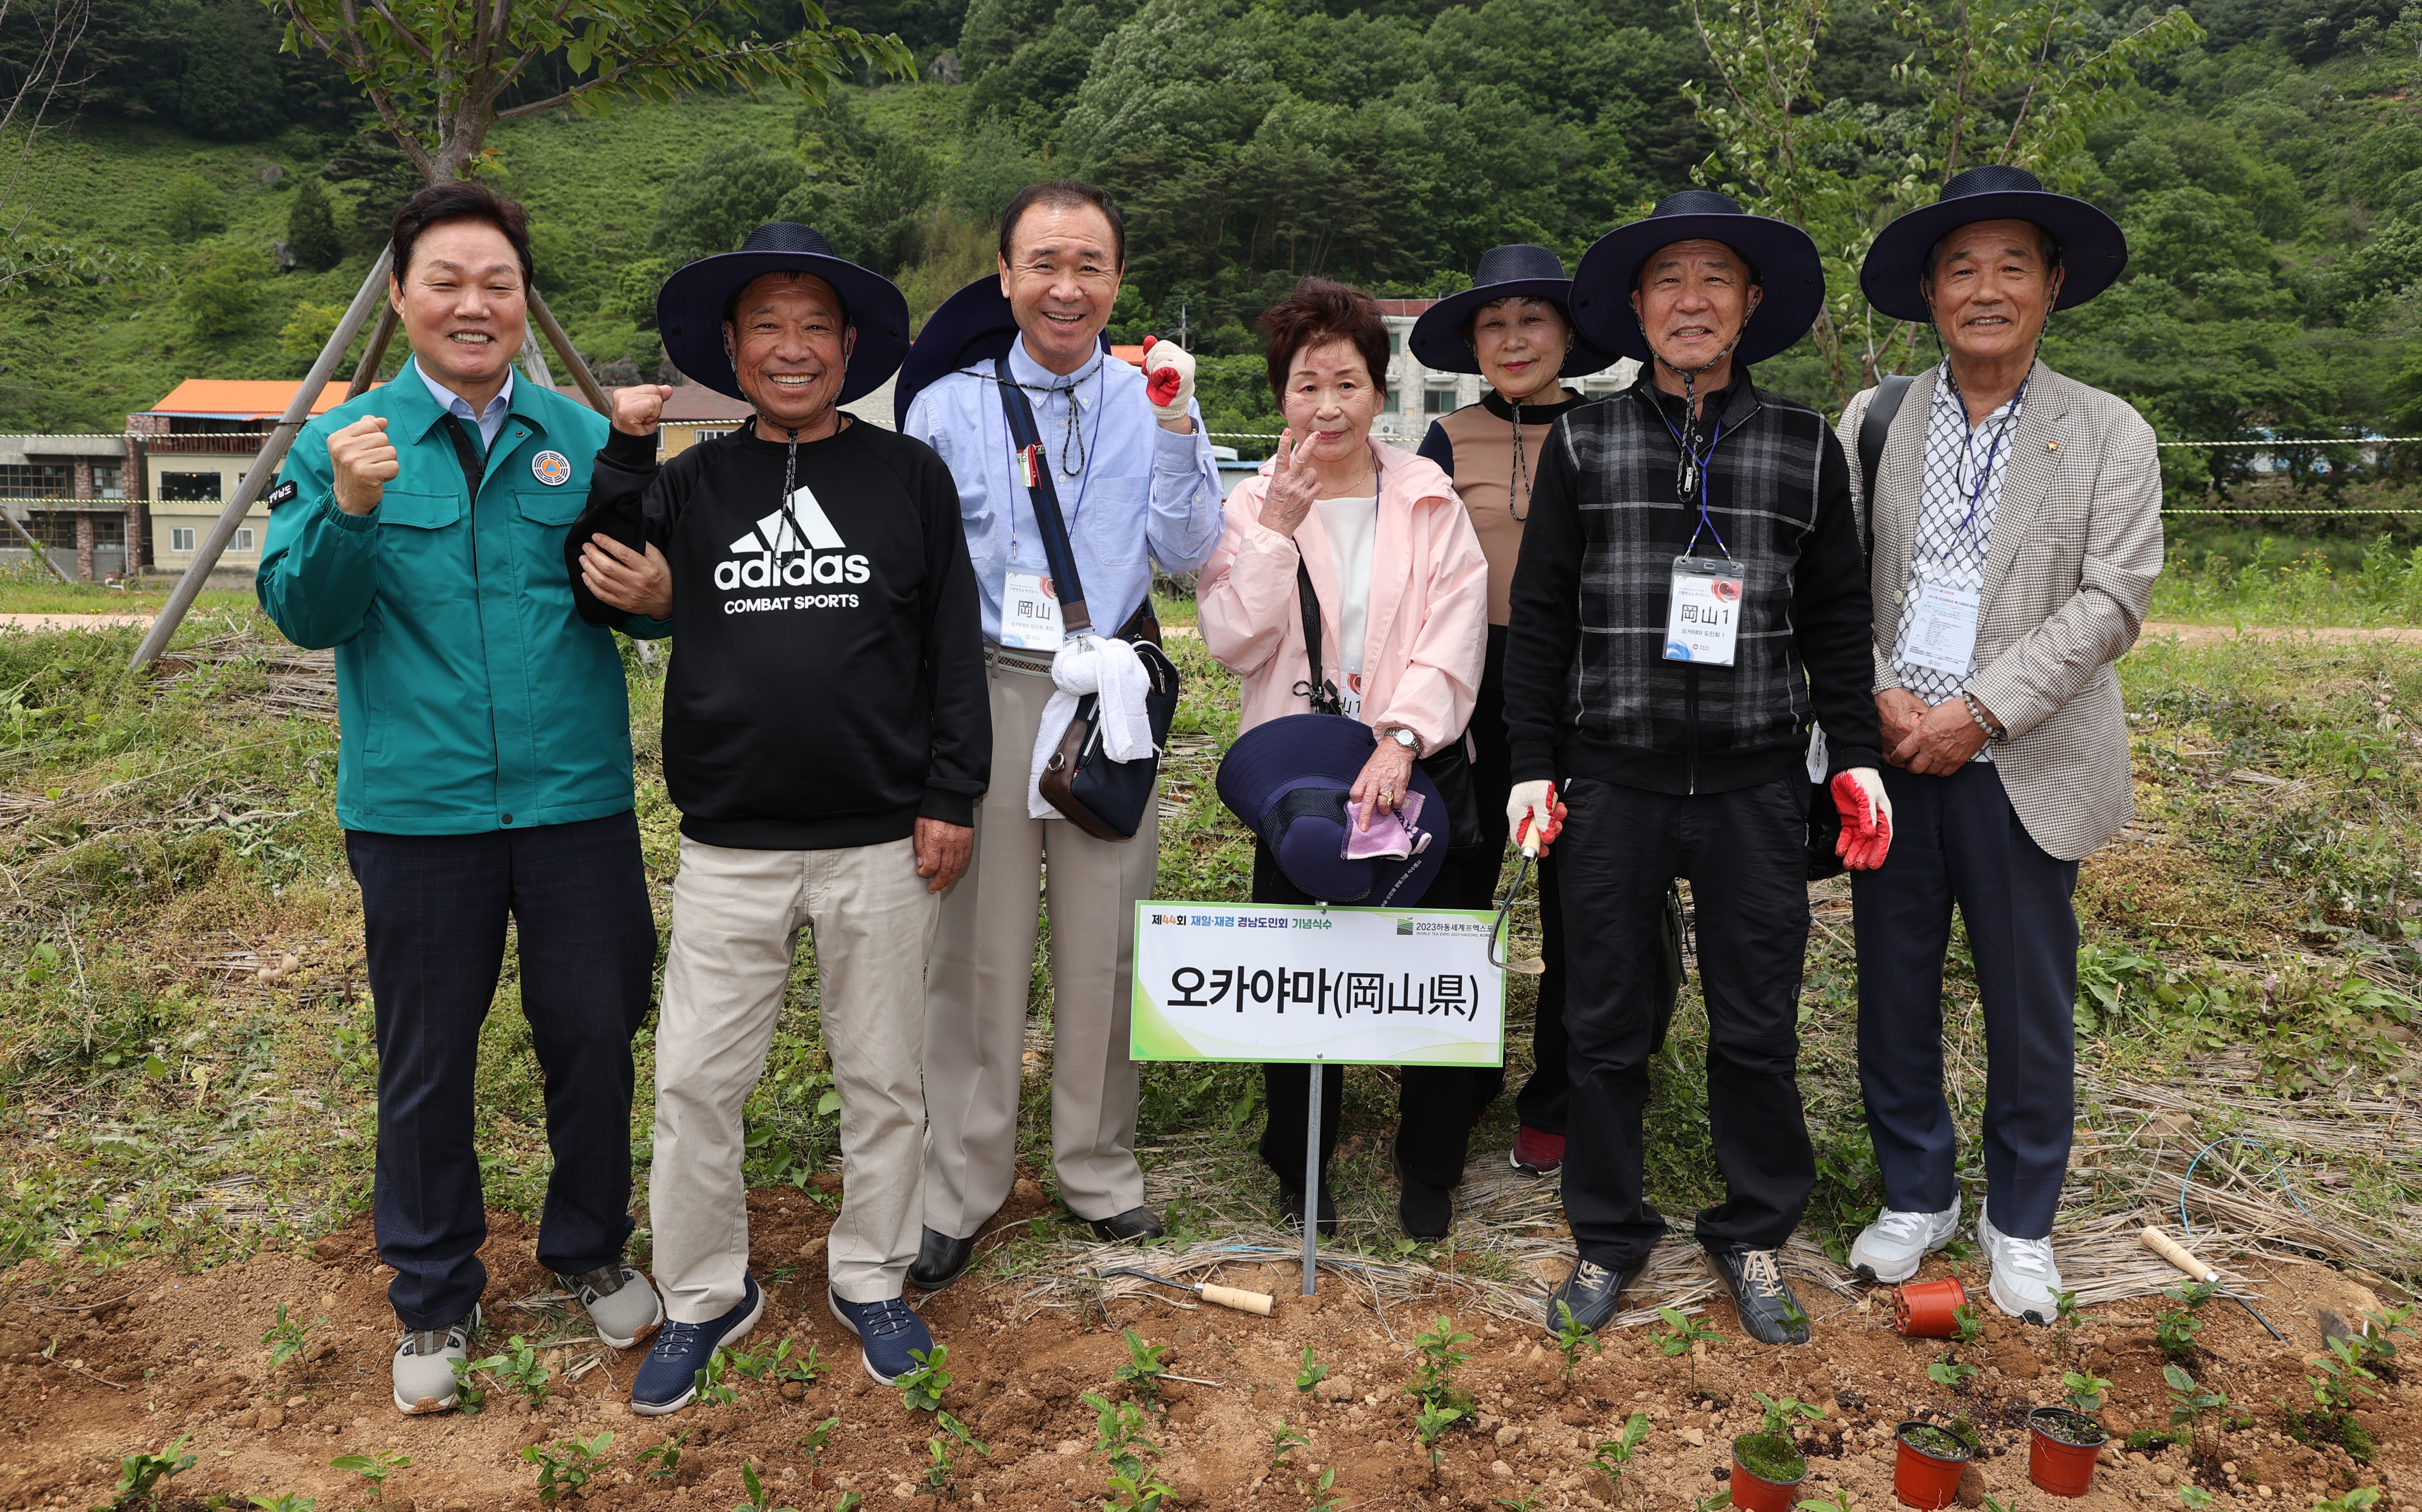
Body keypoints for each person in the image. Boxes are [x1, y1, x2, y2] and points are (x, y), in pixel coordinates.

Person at [256, 180, 665, 1415]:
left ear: (524, 303)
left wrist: (663, 601)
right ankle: (435, 1293)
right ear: (401, 297)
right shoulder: (348, 442)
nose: (474, 304)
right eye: (447, 281)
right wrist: (354, 510)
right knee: (426, 1059)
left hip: (575, 800)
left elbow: (642, 596)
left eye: (498, 282)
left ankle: (590, 1245)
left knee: (594, 1031)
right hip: (416, 810)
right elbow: (303, 613)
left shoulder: (582, 440)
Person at [567, 223, 989, 1403]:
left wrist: (952, 793)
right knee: (698, 1078)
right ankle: (705, 1294)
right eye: (768, 327)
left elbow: (952, 650)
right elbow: (596, 570)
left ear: (849, 348)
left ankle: (872, 1278)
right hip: (730, 846)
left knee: (883, 1076)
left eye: (815, 327)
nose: (791, 348)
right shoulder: (695, 481)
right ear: (731, 349)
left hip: (882, 840)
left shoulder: (908, 476)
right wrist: (626, 443)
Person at [1501, 192, 1894, 1344]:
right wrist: (1533, 764)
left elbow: (1832, 623)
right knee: (1606, 1026)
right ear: (1636, 306)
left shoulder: (1804, 446)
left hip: (1755, 790)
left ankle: (1756, 1230)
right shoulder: (1583, 441)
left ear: (1751, 304)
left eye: (1714, 280)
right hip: (1612, 785)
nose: (1690, 301)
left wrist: (1855, 758)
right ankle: (1608, 1235)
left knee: (1756, 1026)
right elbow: (1540, 619)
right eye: (1668, 281)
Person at [1836, 166, 2160, 1323]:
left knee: (2029, 1003)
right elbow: (1833, 581)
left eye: (2011, 266)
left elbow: (2113, 601)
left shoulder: (2108, 432)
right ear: (1928, 291)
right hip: (1892, 756)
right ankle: (1915, 1192)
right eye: (1961, 268)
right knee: (1894, 987)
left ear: (2053, 284)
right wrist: (1879, 697)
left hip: (2020, 761)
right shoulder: (1875, 420)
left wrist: (1976, 710)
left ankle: (2021, 1223)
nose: (1986, 290)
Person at [898, 180, 1223, 1289]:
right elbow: (922, 576)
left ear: (1117, 282)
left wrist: (1179, 428)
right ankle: (962, 1183)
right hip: (988, 684)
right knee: (973, 950)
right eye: (1044, 263)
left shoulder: (1158, 398)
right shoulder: (944, 407)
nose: (1066, 286)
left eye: (1089, 265)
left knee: (1108, 939)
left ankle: (1097, 1166)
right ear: (1005, 277)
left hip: (1108, 696)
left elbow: (1184, 550)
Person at [1197, 277, 1491, 1240]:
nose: (1329, 406)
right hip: (1301, 773)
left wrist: (1404, 735)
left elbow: (1456, 630)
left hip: (1417, 762)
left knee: (1429, 961)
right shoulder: (1250, 504)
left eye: (1350, 384)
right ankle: (1301, 1159)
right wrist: (1278, 533)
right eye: (1306, 385)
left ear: (1381, 391)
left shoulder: (1427, 495)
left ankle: (1430, 1161)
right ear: (1280, 396)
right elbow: (1236, 642)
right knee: (1301, 972)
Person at [1409, 245, 1628, 1181]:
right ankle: (1457, 1080)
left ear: (1569, 334)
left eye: (1532, 321)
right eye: (1493, 325)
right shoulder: (1444, 441)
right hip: (1469, 691)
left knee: (1579, 907)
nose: (1512, 340)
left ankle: (1558, 1094)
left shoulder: (1616, 431)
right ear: (1470, 342)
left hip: (1585, 693)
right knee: (1459, 895)